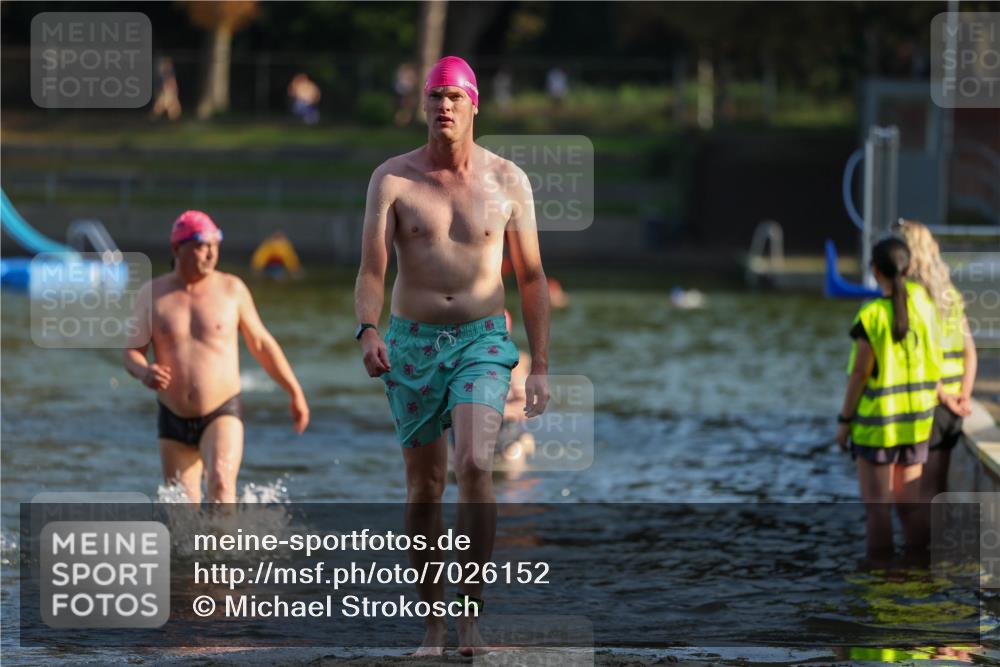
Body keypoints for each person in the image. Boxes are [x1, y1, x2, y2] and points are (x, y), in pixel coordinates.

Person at [354, 55, 551, 656]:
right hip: (411, 342)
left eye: (454, 97)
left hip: (483, 341)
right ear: (425, 106)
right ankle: (432, 625)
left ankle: (470, 618)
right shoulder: (392, 179)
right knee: (424, 487)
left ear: (473, 106)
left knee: (473, 463)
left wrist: (539, 362)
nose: (443, 106)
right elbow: (371, 269)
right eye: (435, 96)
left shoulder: (510, 181)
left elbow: (534, 277)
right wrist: (368, 328)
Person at [124, 211, 310, 504]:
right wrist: (143, 370)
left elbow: (262, 344)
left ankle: (228, 550)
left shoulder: (231, 289)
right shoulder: (152, 294)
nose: (211, 252)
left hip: (221, 411)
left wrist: (294, 392)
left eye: (215, 243)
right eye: (201, 244)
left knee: (222, 486)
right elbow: (131, 352)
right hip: (172, 416)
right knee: (181, 510)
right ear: (177, 249)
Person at [835, 237, 961, 559]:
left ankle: (880, 582)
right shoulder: (926, 305)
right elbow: (936, 360)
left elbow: (859, 374)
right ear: (908, 267)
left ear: (875, 271)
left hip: (878, 428)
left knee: (878, 511)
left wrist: (844, 421)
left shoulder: (872, 316)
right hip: (916, 425)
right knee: (909, 509)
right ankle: (917, 572)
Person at [898, 220, 976, 498]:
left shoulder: (913, 297)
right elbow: (970, 352)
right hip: (953, 406)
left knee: (922, 493)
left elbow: (920, 358)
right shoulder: (950, 295)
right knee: (939, 488)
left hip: (931, 401)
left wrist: (944, 396)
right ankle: (939, 541)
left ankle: (925, 543)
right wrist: (963, 396)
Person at [150, 57, 181, 121]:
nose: (169, 65)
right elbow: (168, 82)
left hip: (168, 91)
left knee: (165, 106)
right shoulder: (164, 72)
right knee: (164, 106)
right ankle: (153, 119)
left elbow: (172, 81)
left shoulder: (168, 72)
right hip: (167, 91)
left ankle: (153, 119)